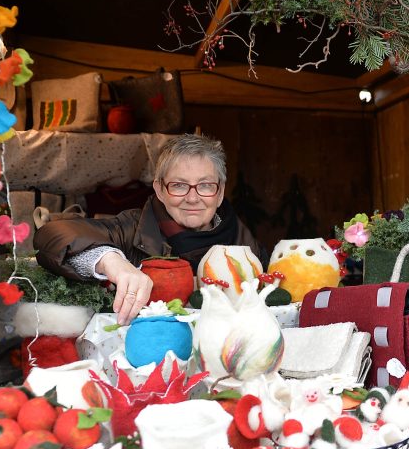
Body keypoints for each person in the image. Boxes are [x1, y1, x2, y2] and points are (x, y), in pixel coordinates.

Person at [34, 134, 265, 324]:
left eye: (205, 185)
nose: (193, 198)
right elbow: (51, 234)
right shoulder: (131, 228)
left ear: (220, 191)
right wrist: (111, 260)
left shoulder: (243, 241)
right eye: (179, 185)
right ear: (160, 189)